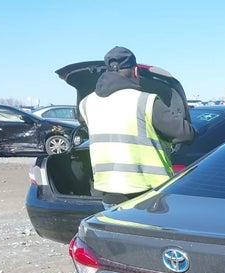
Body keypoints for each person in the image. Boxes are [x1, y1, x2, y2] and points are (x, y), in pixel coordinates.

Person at [79, 46, 196, 205]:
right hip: (148, 193)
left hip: (109, 193)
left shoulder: (86, 103)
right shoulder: (145, 101)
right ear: (135, 71)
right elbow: (185, 134)